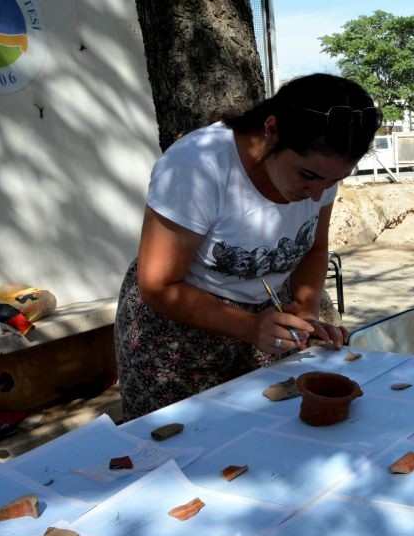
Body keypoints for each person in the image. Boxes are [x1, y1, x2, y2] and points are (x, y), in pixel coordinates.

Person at [114, 73, 380, 420]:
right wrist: (251, 327)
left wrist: (304, 309)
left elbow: (314, 248)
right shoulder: (198, 165)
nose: (317, 195)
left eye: (334, 181)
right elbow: (158, 284)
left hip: (263, 324)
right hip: (175, 333)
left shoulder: (320, 171)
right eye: (308, 176)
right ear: (272, 130)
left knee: (261, 438)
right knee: (178, 449)